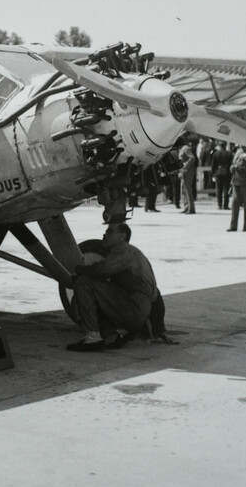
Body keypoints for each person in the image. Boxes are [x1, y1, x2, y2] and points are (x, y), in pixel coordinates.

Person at [66, 223, 158, 352]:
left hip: (133, 308)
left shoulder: (123, 251)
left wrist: (79, 269)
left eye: (109, 232)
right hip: (139, 310)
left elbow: (102, 270)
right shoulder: (134, 252)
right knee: (95, 288)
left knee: (83, 282)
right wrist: (158, 328)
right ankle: (116, 334)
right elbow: (156, 294)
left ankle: (93, 337)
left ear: (122, 236)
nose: (104, 234)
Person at [212, 142, 234, 210]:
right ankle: (225, 205)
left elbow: (213, 164)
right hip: (226, 172)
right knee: (226, 189)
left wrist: (213, 173)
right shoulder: (229, 154)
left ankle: (219, 204)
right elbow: (231, 163)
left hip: (218, 172)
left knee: (219, 189)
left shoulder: (216, 154)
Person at [179, 141, 197, 214]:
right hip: (184, 171)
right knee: (184, 190)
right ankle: (186, 207)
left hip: (188, 171)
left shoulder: (185, 148)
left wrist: (185, 167)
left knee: (187, 189)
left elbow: (192, 158)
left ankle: (191, 208)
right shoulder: (181, 149)